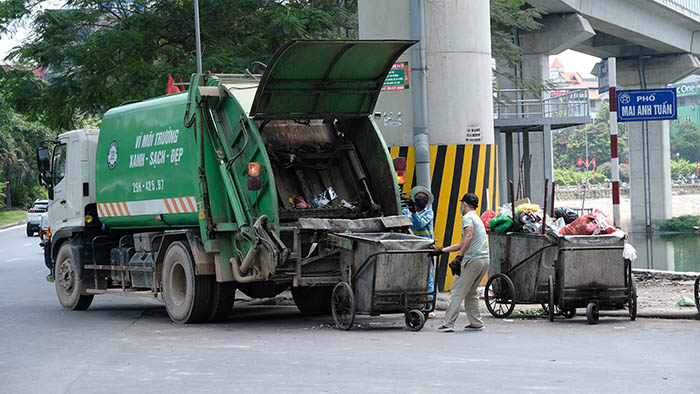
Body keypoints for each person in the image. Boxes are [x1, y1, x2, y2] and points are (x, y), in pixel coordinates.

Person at [434, 192, 489, 332]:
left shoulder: (467, 218)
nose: (460, 207)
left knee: (457, 291)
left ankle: (448, 324)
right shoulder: (476, 218)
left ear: (464, 204)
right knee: (471, 292)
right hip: (484, 260)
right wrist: (443, 250)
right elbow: (462, 242)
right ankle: (476, 323)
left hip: (472, 259)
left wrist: (459, 257)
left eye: (461, 204)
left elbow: (468, 236)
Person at [401, 185, 436, 317]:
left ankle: (429, 307)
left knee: (428, 277)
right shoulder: (405, 212)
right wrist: (411, 211)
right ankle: (412, 304)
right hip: (410, 247)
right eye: (418, 197)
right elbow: (406, 225)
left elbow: (419, 224)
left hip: (425, 247)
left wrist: (414, 213)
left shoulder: (428, 213)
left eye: (424, 198)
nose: (421, 200)